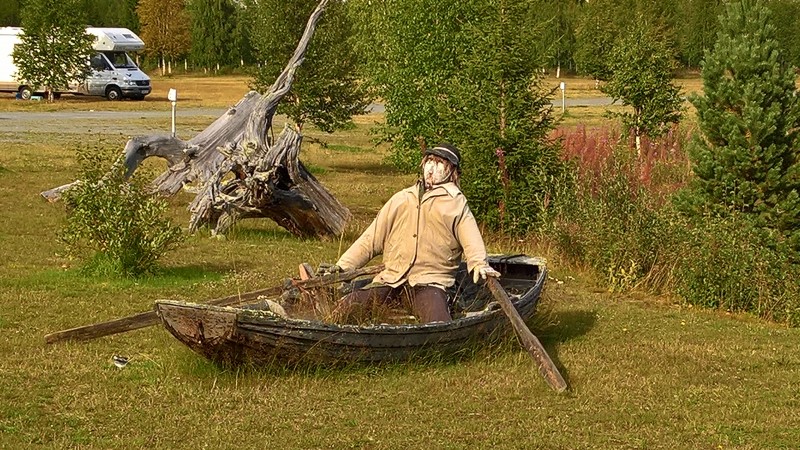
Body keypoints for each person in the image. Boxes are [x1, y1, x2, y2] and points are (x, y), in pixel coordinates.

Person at [328, 143, 500, 324]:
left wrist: (479, 264)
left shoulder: (456, 204)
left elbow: (472, 240)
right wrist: (343, 267)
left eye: (440, 163)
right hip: (392, 278)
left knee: (437, 321)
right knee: (348, 306)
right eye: (430, 161)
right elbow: (370, 239)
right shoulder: (402, 198)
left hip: (431, 282)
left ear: (452, 171)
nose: (432, 168)